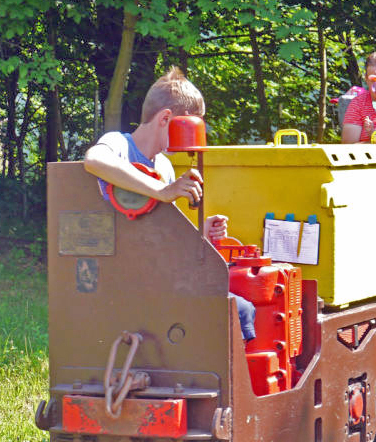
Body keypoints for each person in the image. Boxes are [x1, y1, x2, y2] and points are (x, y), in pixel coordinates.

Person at [83, 67, 256, 341]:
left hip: (159, 272)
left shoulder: (164, 166)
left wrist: (201, 231)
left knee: (242, 307)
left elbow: (165, 231)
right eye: (189, 128)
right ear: (166, 119)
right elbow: (94, 160)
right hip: (122, 274)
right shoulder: (118, 144)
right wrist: (162, 190)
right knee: (238, 310)